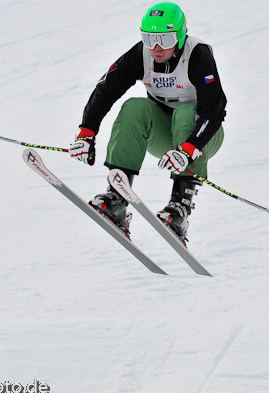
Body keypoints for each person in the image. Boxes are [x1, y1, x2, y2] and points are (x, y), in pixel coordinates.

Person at [70, 2, 226, 243]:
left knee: (185, 113)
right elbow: (106, 90)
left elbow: (214, 108)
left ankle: (179, 208)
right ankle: (117, 201)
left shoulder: (197, 55)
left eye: (164, 39)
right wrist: (87, 132)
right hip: (165, 136)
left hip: (203, 137)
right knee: (135, 107)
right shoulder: (141, 54)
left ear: (181, 35)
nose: (156, 47)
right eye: (149, 38)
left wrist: (191, 147)